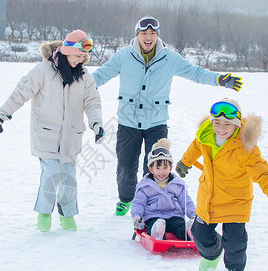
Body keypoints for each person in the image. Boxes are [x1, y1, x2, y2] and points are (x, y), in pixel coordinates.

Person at [91, 16, 243, 216]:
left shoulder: (169, 58)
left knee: (156, 166)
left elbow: (195, 73)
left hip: (156, 122)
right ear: (137, 35)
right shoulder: (124, 56)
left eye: (152, 34)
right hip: (128, 123)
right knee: (126, 168)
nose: (148, 37)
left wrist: (219, 79)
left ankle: (151, 202)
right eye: (144, 33)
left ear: (157, 35)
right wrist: (78, 87)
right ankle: (127, 199)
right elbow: (100, 75)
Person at [0, 29, 105, 232]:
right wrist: (2, 115)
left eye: (84, 57)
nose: (81, 60)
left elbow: (92, 102)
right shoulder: (43, 71)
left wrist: (96, 124)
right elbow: (20, 93)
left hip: (71, 135)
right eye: (78, 55)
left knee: (68, 176)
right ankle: (44, 212)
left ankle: (67, 214)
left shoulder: (84, 76)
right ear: (68, 51)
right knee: (51, 172)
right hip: (46, 134)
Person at [175, 98, 268, 271]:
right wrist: (185, 161)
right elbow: (195, 146)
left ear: (237, 125)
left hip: (236, 203)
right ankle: (213, 255)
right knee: (200, 236)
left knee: (235, 245)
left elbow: (265, 177)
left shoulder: (246, 149)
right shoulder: (205, 136)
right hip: (208, 200)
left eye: (227, 124)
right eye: (217, 122)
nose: (221, 128)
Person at [131, 138, 196, 240]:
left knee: (180, 226)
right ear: (150, 169)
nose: (162, 172)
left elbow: (186, 202)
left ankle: (191, 232)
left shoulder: (177, 184)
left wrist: (193, 215)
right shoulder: (145, 186)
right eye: (158, 168)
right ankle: (157, 233)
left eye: (165, 167)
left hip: (174, 216)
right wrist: (137, 217)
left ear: (170, 168)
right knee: (154, 225)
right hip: (153, 216)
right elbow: (138, 203)